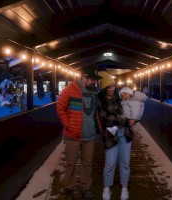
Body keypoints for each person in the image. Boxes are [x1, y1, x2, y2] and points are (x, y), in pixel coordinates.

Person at [56, 67, 102, 200]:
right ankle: (69, 188)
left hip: (90, 135)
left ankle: (85, 188)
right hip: (73, 134)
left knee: (87, 163)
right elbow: (60, 107)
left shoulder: (94, 92)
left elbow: (95, 112)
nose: (94, 82)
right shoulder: (71, 89)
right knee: (71, 163)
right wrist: (68, 124)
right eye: (93, 79)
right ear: (84, 77)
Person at [97, 71, 133, 200]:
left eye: (113, 86)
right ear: (104, 88)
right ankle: (107, 188)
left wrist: (134, 119)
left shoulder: (120, 97)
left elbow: (132, 111)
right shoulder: (100, 101)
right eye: (109, 86)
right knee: (110, 164)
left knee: (125, 163)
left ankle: (124, 188)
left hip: (125, 135)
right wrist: (123, 119)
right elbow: (106, 118)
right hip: (110, 136)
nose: (112, 88)